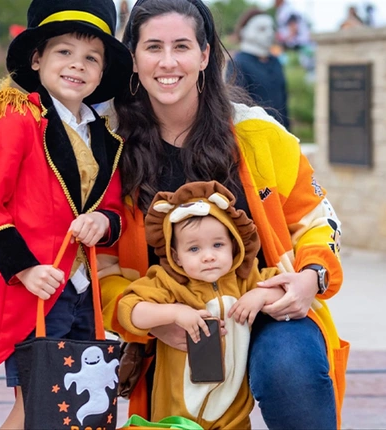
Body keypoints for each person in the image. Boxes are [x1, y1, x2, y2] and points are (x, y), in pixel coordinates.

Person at [98, 0, 349, 428]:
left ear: (205, 54)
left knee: (292, 369)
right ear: (133, 58)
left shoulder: (258, 134)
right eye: (153, 47)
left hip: (266, 306)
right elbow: (100, 268)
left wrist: (311, 278)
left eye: (182, 46)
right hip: (175, 325)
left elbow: (316, 221)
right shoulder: (107, 149)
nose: (168, 62)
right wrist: (154, 321)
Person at [0, 0, 132, 428]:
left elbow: (114, 206)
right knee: (35, 406)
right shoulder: (19, 120)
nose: (78, 65)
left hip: (85, 293)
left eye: (92, 57)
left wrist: (104, 222)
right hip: (37, 290)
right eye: (64, 52)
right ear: (37, 59)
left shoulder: (102, 135)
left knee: (72, 409)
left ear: (103, 71)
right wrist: (25, 269)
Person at [118, 181, 281, 429]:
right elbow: (129, 310)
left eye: (218, 245)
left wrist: (260, 297)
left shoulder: (246, 279)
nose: (208, 256)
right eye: (194, 248)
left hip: (232, 413)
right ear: (176, 257)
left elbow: (282, 289)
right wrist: (173, 312)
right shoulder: (168, 283)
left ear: (234, 245)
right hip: (176, 413)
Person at [227, 8, 290, 130]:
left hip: (280, 133)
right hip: (254, 134)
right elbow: (235, 106)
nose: (269, 33)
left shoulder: (275, 61)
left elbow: (283, 99)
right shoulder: (238, 64)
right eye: (262, 29)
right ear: (244, 32)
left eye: (271, 28)